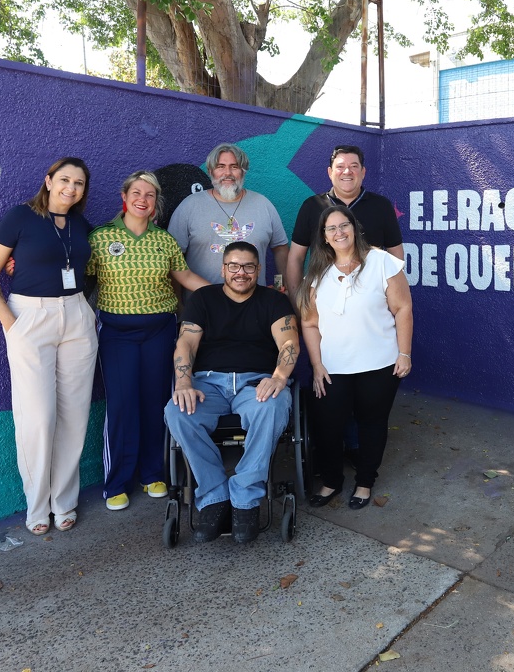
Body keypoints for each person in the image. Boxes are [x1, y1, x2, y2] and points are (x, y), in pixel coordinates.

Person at [0, 157, 98, 536]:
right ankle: (37, 505)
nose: (71, 188)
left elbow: (88, 272)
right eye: (64, 179)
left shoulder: (82, 226)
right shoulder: (20, 217)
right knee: (38, 416)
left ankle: (64, 500)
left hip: (76, 316)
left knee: (74, 415)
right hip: (31, 317)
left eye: (78, 183)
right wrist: (11, 324)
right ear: (48, 181)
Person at [86, 171, 208, 513]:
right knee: (122, 405)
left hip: (160, 331)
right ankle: (116, 482)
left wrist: (222, 293)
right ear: (124, 197)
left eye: (150, 195)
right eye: (137, 192)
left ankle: (153, 473)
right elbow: (81, 279)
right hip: (116, 334)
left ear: (156, 203)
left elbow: (183, 277)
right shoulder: (100, 238)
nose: (143, 199)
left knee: (157, 402)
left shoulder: (163, 241)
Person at [164, 242, 299, 544]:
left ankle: (245, 499)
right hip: (208, 383)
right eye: (234, 266)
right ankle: (214, 495)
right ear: (223, 269)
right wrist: (184, 383)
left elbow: (289, 342)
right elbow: (186, 343)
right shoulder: (203, 298)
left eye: (249, 266)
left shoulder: (273, 301)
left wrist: (278, 377)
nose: (241, 273)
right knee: (177, 411)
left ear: (258, 270)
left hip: (256, 382)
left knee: (273, 405)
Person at [298, 206, 413, 510]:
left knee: (372, 424)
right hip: (333, 368)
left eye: (343, 225)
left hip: (380, 364)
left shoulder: (381, 262)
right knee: (327, 426)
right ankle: (332, 481)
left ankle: (364, 482)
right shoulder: (317, 275)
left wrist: (404, 353)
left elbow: (403, 309)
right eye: (331, 229)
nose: (339, 232)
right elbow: (309, 323)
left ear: (355, 228)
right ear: (323, 238)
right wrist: (317, 364)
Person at [284, 144, 404, 295]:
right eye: (340, 166)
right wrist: (298, 302)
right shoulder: (312, 206)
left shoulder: (381, 206)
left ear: (363, 172)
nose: (347, 171)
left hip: (372, 301)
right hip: (322, 300)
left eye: (354, 166)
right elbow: (296, 258)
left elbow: (396, 257)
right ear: (330, 172)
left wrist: (394, 297)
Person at [167, 143, 289, 287]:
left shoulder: (263, 204)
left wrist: (280, 285)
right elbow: (174, 260)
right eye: (220, 167)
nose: (227, 173)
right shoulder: (189, 206)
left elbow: (281, 248)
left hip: (253, 305)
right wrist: (180, 305)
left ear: (243, 172)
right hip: (203, 304)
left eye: (234, 167)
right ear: (210, 171)